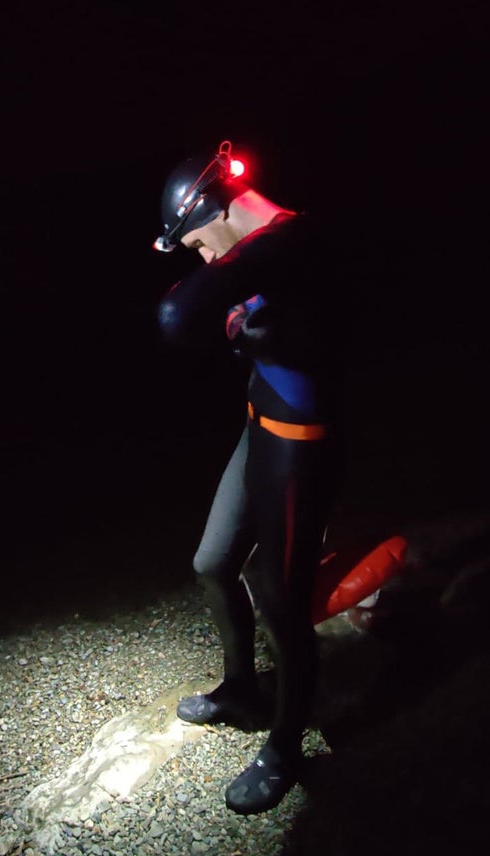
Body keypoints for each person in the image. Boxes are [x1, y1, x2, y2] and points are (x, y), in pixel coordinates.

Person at [153, 139, 349, 815]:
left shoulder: (288, 240)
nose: (206, 259)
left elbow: (178, 317)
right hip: (257, 427)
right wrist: (242, 321)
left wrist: (229, 297)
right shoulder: (256, 255)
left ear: (214, 208)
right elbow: (235, 318)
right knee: (212, 561)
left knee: (282, 600)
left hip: (303, 445)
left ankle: (286, 745)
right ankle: (241, 688)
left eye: (199, 244)